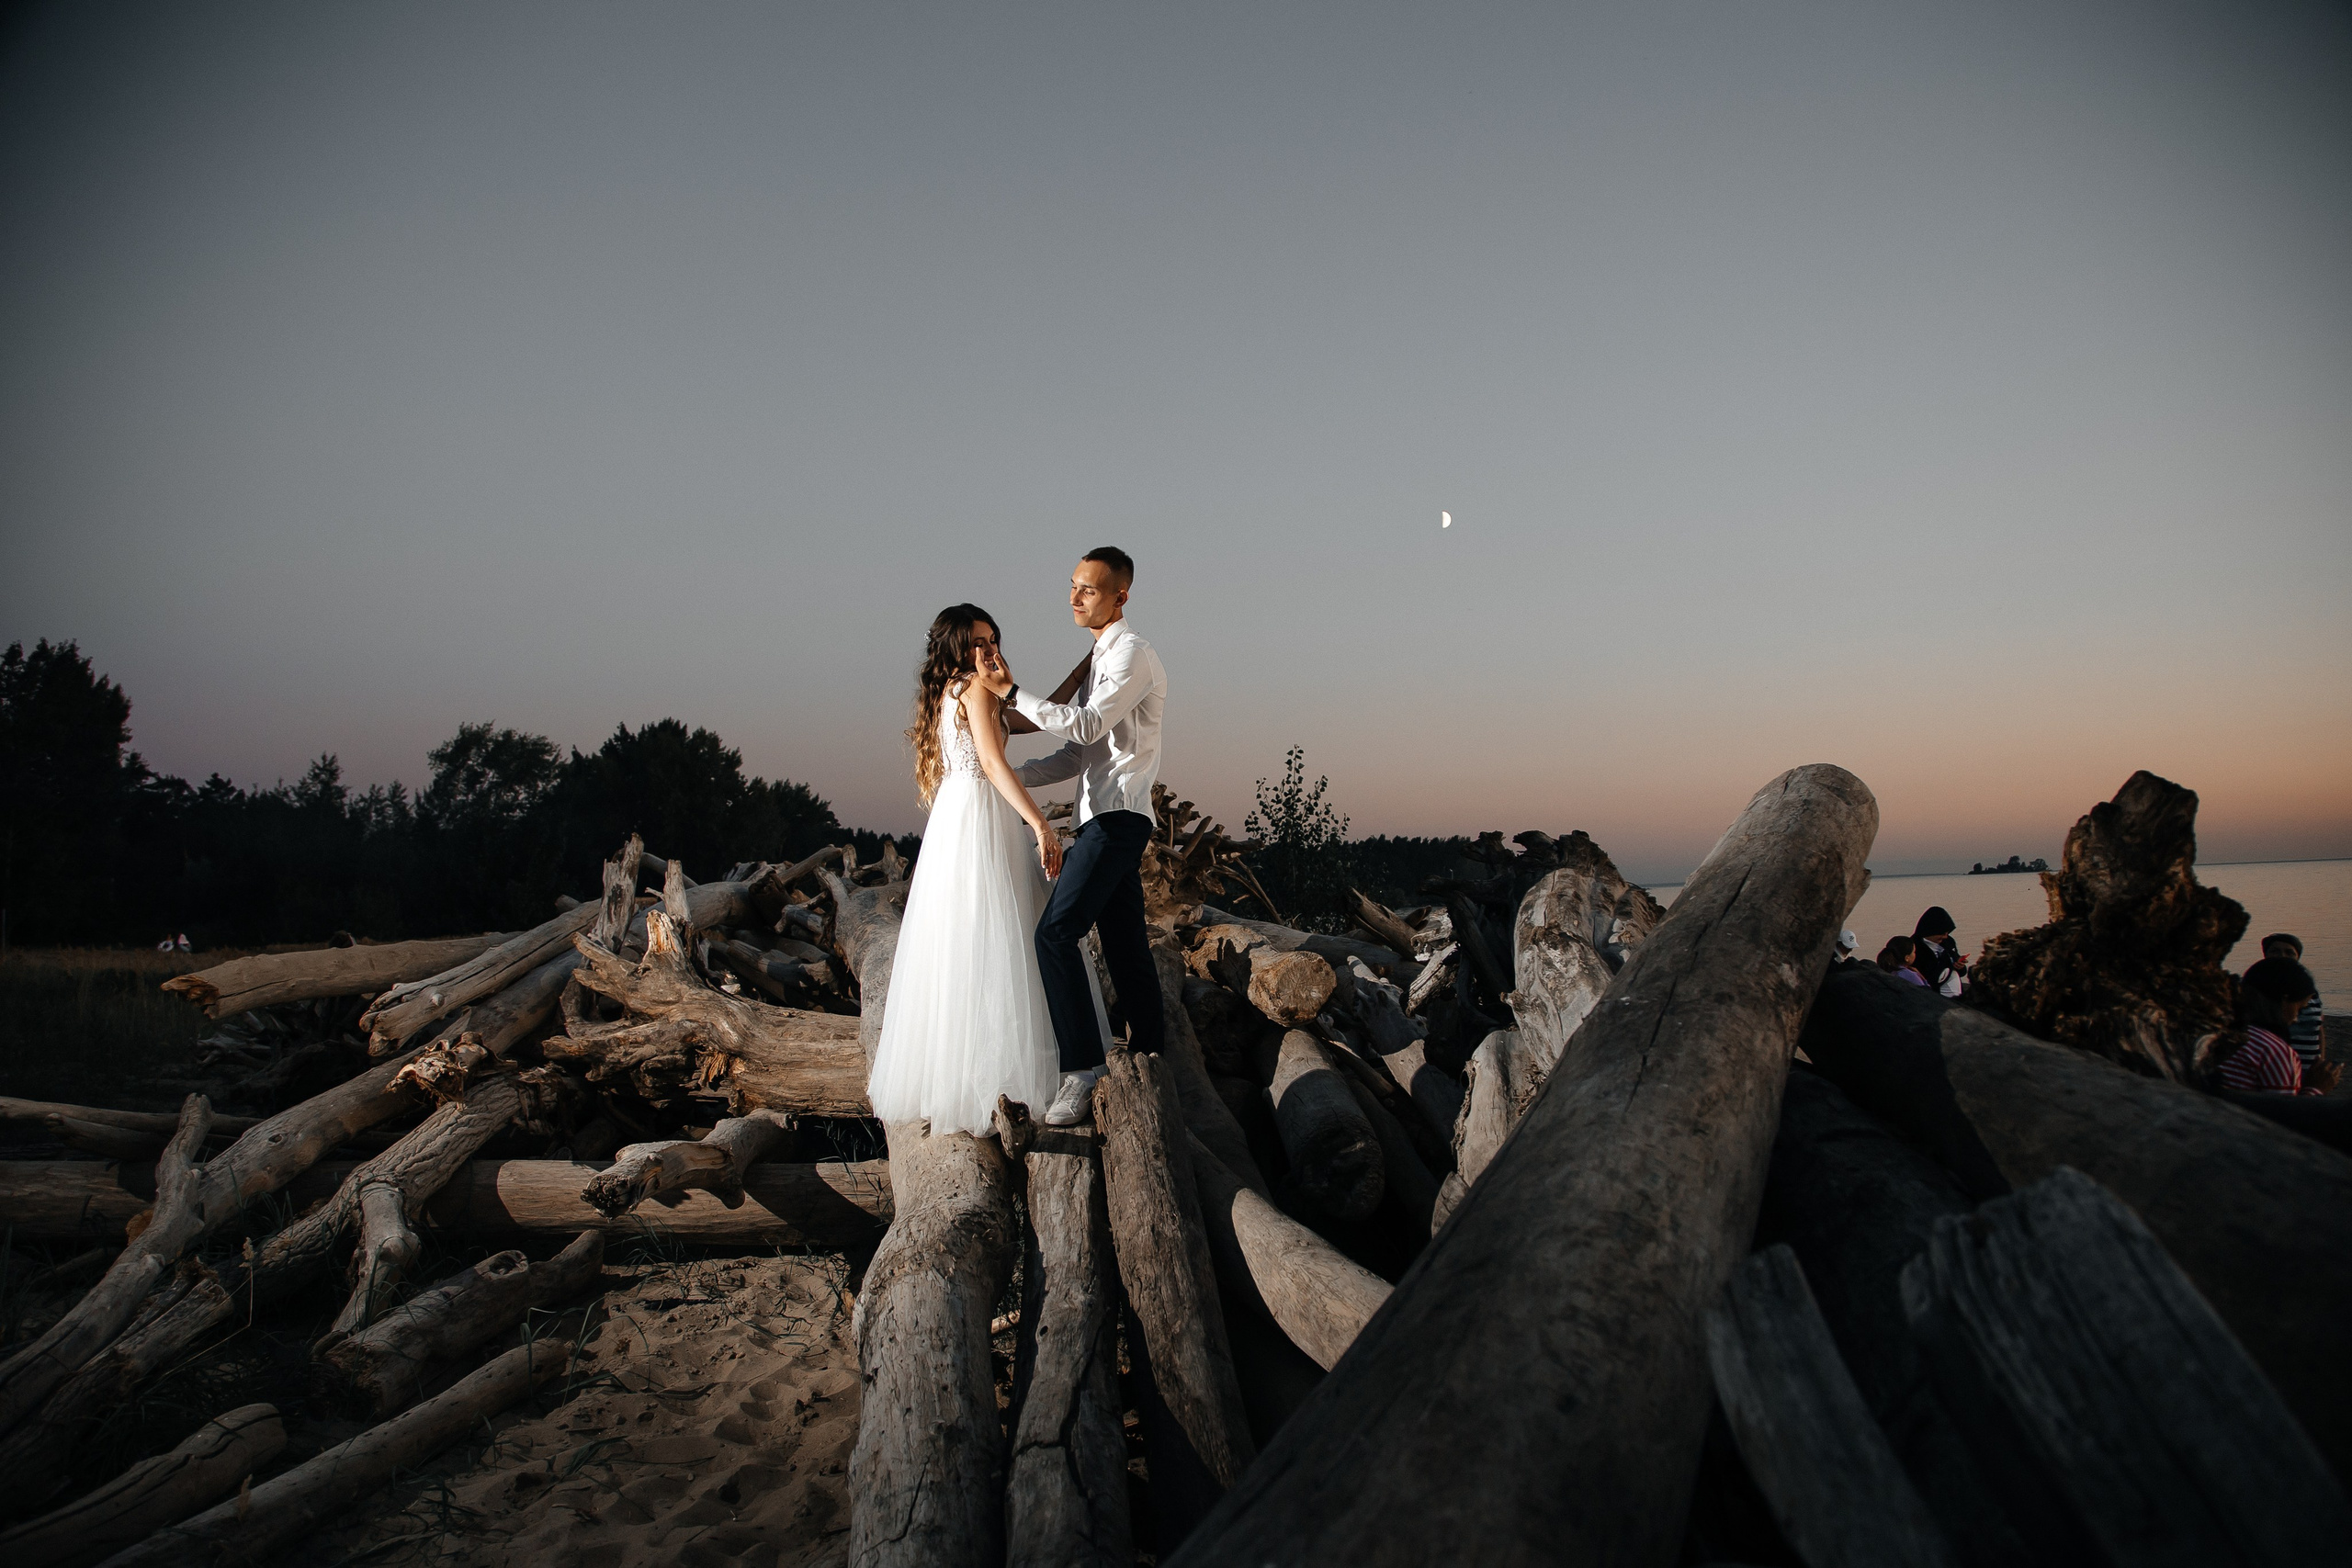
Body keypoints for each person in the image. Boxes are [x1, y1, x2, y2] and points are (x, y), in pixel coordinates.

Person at [975, 547, 1170, 1127]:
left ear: (1121, 596)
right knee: (1125, 944)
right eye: (1073, 586)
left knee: (1055, 936)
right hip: (1101, 817)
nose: (1075, 597)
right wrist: (1004, 778)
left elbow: (1084, 723)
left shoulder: (1133, 655)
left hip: (1117, 820)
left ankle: (1082, 1069)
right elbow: (1077, 753)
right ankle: (1153, 1055)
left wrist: (1013, 693)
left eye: (1088, 589)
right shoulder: (1098, 657)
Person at [864, 605, 1074, 1137]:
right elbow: (993, 762)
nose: (987, 651)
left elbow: (1030, 720)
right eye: (976, 643)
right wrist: (1040, 825)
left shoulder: (959, 691)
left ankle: (959, 1079)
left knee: (966, 944)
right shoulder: (973, 690)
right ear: (956, 650)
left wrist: (1078, 674)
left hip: (961, 816)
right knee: (995, 942)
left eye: (993, 640)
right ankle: (993, 1083)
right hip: (981, 814)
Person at [2219, 957, 2337, 1096]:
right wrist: (2316, 1089)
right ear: (2285, 1000)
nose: (2295, 1019)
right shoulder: (2273, 1051)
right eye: (2299, 1008)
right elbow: (2283, 1112)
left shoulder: (2220, 1032)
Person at [2254, 934, 2326, 1073]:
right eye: (2275, 951)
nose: (2282, 956)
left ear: (2297, 958)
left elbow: (2319, 1030)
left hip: (2309, 1072)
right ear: (2265, 955)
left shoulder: (2310, 992)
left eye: (2289, 952)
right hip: (2273, 1071)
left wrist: (2320, 1062)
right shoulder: (2255, 990)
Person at [1912, 908, 1965, 998]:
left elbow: (1962, 972)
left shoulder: (1949, 942)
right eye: (1942, 934)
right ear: (1931, 931)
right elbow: (1929, 979)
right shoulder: (1915, 948)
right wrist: (1947, 961)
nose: (1945, 937)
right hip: (1934, 998)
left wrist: (1960, 966)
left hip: (1957, 995)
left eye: (1947, 933)